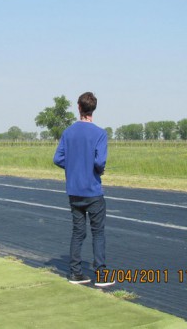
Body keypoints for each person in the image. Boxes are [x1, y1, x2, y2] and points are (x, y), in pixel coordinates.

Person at [53, 92, 114, 287]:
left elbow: (58, 158)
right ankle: (101, 275)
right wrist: (98, 170)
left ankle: (75, 272)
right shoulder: (100, 133)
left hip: (74, 191)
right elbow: (99, 161)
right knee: (98, 232)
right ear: (93, 108)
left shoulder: (68, 132)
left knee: (78, 232)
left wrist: (73, 166)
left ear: (78, 107)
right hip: (93, 190)